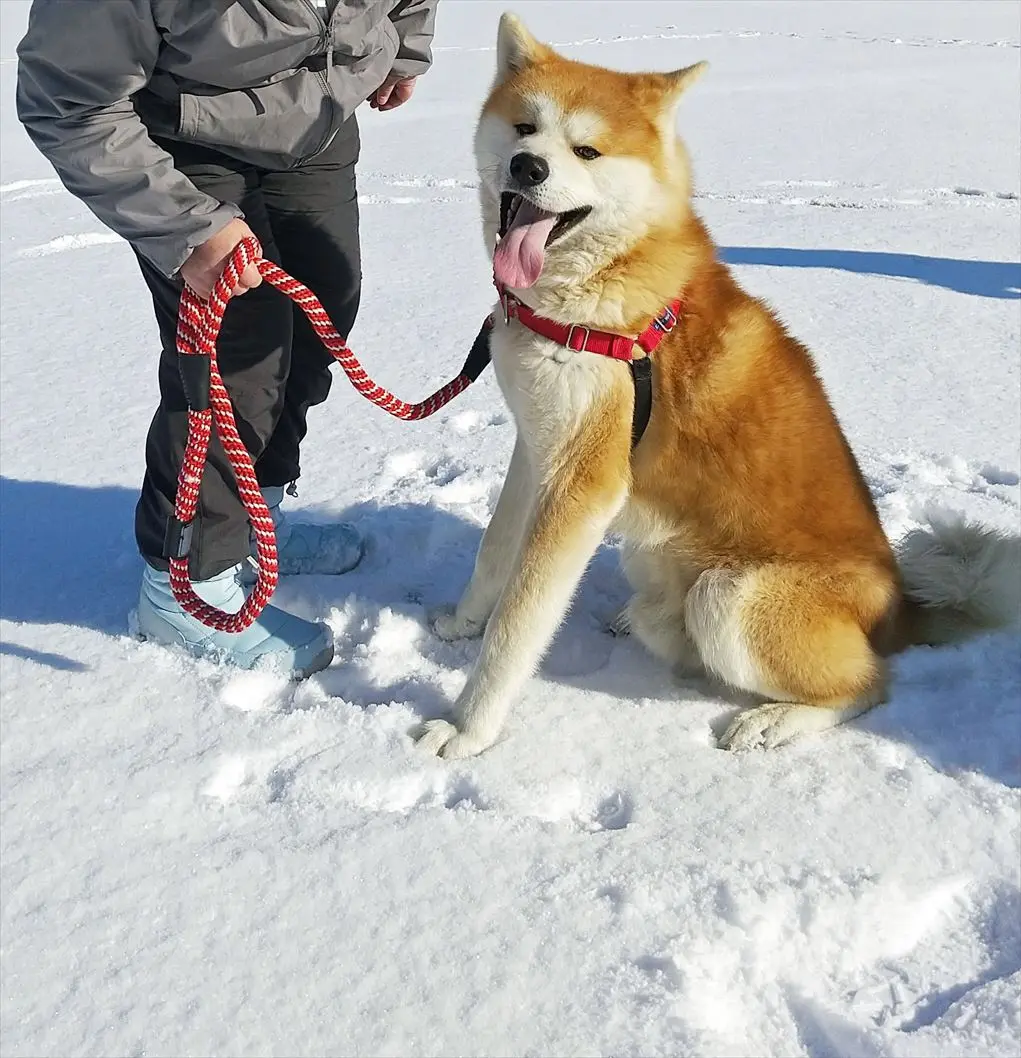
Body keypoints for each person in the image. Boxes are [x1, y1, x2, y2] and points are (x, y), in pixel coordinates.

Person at [17, 0, 438, 678]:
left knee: (314, 322)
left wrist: (402, 48)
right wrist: (185, 227)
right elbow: (68, 99)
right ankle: (185, 587)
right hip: (181, 141)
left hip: (317, 122)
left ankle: (249, 527)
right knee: (234, 355)